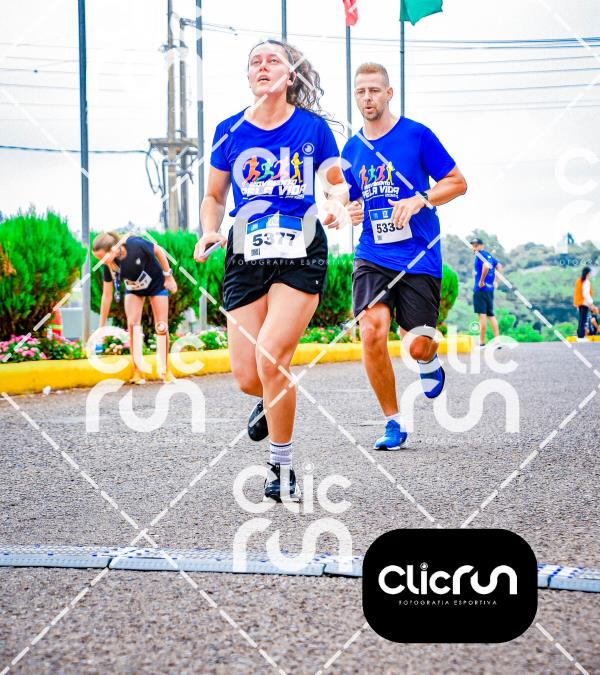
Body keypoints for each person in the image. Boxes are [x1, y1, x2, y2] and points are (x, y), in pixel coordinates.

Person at [193, 40, 348, 501]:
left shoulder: (312, 128)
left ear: (290, 75)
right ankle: (270, 397)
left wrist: (336, 205)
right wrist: (209, 229)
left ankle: (282, 468)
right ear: (248, 77)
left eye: (273, 60)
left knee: (272, 357)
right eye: (255, 62)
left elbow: (336, 182)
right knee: (248, 376)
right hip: (245, 250)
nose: (263, 66)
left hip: (300, 249)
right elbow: (214, 196)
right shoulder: (229, 130)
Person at [342, 62, 467, 451]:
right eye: (361, 91)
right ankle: (393, 421)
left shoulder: (416, 135)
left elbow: (458, 182)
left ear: (389, 93)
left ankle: (428, 359)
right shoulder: (352, 149)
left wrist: (420, 199)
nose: (367, 98)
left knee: (417, 345)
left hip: (418, 256)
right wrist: (350, 209)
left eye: (374, 90)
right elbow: (350, 197)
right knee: (371, 329)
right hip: (373, 254)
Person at [92, 232, 177, 383]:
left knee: (161, 326)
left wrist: (168, 276)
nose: (101, 262)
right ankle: (138, 372)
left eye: (102, 257)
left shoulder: (135, 245)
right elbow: (106, 296)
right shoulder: (109, 265)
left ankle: (165, 370)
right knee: (132, 326)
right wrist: (101, 327)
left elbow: (158, 250)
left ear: (112, 249)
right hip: (134, 289)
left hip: (156, 284)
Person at [470, 238, 502, 347]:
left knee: (482, 317)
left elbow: (486, 266)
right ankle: (497, 341)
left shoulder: (480, 255)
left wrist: (481, 281)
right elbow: (499, 266)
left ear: (481, 245)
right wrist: (495, 281)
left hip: (480, 290)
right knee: (491, 315)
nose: (474, 248)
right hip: (489, 290)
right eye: (473, 245)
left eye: (476, 245)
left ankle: (481, 342)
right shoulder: (488, 255)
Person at [574, 266, 594, 340]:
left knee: (581, 319)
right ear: (588, 273)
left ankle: (580, 335)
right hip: (584, 303)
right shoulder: (586, 281)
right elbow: (586, 294)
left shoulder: (579, 281)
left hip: (579, 303)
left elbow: (577, 293)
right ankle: (581, 336)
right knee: (583, 320)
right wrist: (591, 303)